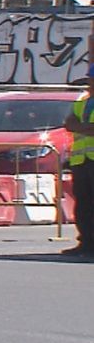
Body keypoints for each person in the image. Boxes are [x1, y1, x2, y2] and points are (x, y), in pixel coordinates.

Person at [61, 73, 94, 257]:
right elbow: (69, 123)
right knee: (83, 204)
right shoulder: (82, 103)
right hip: (82, 161)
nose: (90, 83)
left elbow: (76, 125)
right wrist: (85, 128)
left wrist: (80, 127)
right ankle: (86, 242)